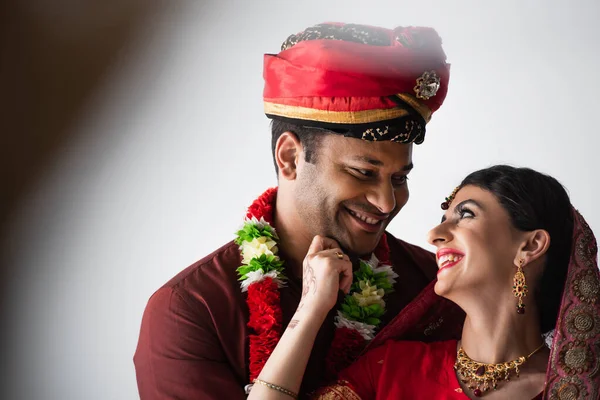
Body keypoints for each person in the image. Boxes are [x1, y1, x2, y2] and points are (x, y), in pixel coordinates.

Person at [133, 22, 463, 399]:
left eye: (399, 179)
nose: (386, 203)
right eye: (363, 173)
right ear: (290, 157)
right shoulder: (191, 310)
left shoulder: (431, 286)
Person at [247, 165, 600, 400]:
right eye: (442, 218)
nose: (435, 234)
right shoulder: (391, 369)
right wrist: (311, 309)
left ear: (530, 245)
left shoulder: (576, 389)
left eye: (466, 215)